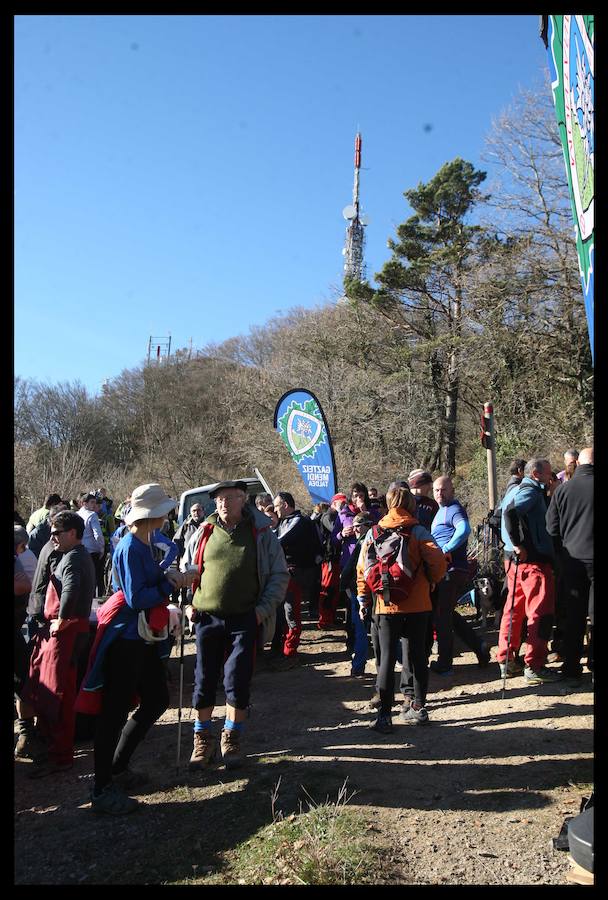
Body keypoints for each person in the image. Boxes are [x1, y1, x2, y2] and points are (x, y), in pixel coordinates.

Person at [82, 483, 195, 815]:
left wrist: (168, 575)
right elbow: (137, 597)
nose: (168, 514)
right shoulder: (131, 546)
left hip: (140, 636)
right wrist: (170, 582)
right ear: (154, 515)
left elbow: (144, 586)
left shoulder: (143, 543)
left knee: (157, 698)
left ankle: (117, 767)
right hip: (126, 639)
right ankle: (102, 788)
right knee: (113, 713)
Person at [186, 481, 288, 770]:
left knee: (237, 680)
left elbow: (279, 576)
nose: (222, 504)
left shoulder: (262, 534)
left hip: (245, 618)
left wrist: (261, 611)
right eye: (218, 499)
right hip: (206, 617)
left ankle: (231, 739)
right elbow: (188, 569)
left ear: (243, 500)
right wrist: (188, 603)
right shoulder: (203, 532)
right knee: (204, 679)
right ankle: (202, 739)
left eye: (229, 498)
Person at [356, 482, 447, 732]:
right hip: (418, 605)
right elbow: (438, 561)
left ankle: (384, 716)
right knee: (418, 656)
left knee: (385, 659)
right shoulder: (418, 531)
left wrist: (363, 599)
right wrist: (431, 580)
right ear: (411, 505)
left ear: (388, 504)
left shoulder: (374, 532)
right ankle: (418, 708)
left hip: (386, 606)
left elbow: (362, 569)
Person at [23, 511, 96, 778]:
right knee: (54, 694)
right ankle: (55, 750)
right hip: (63, 635)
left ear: (74, 534)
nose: (53, 537)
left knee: (58, 697)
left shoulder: (74, 559)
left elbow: (71, 589)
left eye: (58, 533)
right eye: (52, 532)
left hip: (64, 636)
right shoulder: (72, 556)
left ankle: (60, 755)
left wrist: (61, 620)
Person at [497, 457, 560, 685]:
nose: (550, 477)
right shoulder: (530, 491)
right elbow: (510, 513)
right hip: (533, 563)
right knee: (541, 613)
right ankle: (535, 665)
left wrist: (512, 546)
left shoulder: (516, 490)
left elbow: (504, 513)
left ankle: (506, 660)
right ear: (536, 474)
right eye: (547, 474)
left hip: (517, 563)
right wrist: (518, 544)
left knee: (513, 609)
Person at [430, 477, 490, 676]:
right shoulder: (441, 511)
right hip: (445, 570)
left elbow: (464, 530)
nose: (440, 493)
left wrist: (445, 549)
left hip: (451, 570)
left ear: (452, 490)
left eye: (444, 490)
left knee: (442, 617)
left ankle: (445, 664)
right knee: (448, 614)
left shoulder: (453, 508)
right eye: (437, 490)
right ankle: (479, 646)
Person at [545, 448, 593, 688]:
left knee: (574, 615)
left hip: (572, 560)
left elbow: (551, 528)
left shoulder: (563, 490)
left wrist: (561, 554)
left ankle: (572, 667)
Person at [273, 491, 323, 656]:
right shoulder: (285, 521)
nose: (275, 510)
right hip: (288, 572)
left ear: (285, 505)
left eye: (276, 506)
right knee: (285, 611)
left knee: (291, 612)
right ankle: (284, 648)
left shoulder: (299, 521)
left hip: (297, 573)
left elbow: (281, 541)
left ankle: (290, 652)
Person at [339, 512, 374, 675]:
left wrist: (344, 585)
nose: (356, 530)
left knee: (360, 629)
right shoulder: (373, 539)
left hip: (360, 591)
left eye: (358, 526)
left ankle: (358, 666)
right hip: (371, 590)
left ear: (367, 525)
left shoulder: (363, 542)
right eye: (354, 527)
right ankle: (403, 660)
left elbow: (350, 568)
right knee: (377, 628)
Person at [317, 493, 346, 629]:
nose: (344, 506)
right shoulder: (328, 516)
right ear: (334, 503)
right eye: (342, 503)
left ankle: (331, 617)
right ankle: (324, 620)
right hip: (329, 558)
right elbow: (335, 530)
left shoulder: (337, 515)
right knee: (328, 589)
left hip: (336, 557)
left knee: (334, 589)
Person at [78, 492, 106, 595]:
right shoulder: (92, 515)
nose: (94, 505)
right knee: (95, 577)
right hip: (92, 550)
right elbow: (97, 534)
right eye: (92, 502)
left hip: (80, 549)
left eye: (95, 502)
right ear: (84, 503)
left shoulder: (76, 514)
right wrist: (101, 548)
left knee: (83, 578)